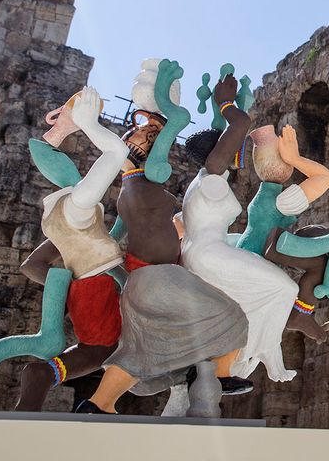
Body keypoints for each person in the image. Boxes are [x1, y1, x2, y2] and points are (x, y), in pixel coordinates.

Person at [75, 64, 249, 415]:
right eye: (142, 135)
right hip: (158, 277)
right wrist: (226, 106)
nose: (147, 137)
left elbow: (116, 239)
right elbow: (170, 131)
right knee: (231, 317)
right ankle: (212, 372)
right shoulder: (144, 178)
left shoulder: (133, 191)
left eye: (151, 134)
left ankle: (100, 403)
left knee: (142, 349)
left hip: (145, 279)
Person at [180, 77, 313, 380]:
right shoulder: (212, 173)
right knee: (285, 287)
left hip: (208, 250)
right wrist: (226, 104)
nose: (236, 149)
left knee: (249, 298)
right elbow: (240, 124)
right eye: (228, 146)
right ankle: (267, 353)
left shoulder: (203, 184)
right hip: (210, 254)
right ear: (216, 152)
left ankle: (233, 360)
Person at [14, 88, 125, 411]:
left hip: (92, 285)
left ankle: (45, 378)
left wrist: (64, 286)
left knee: (98, 350)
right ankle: (44, 375)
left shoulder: (57, 217)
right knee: (98, 350)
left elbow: (31, 266)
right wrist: (89, 124)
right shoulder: (78, 205)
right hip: (100, 285)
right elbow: (115, 153)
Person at [239, 124, 329, 340]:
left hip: (250, 250)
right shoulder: (278, 201)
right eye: (283, 157)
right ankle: (301, 315)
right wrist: (295, 159)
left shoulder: (261, 198)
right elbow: (326, 178)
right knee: (319, 264)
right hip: (260, 254)